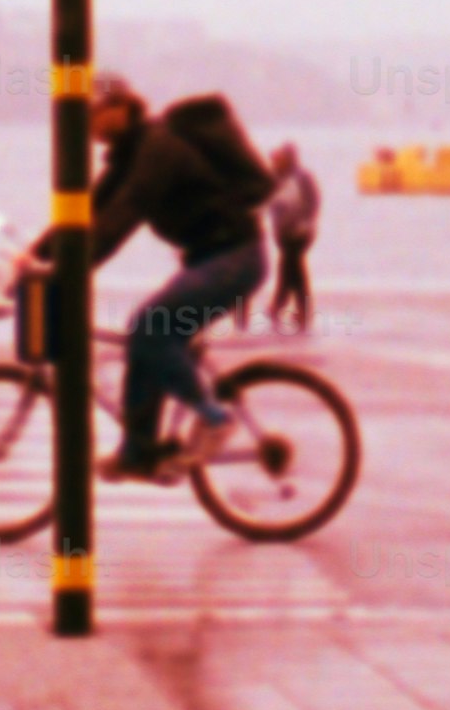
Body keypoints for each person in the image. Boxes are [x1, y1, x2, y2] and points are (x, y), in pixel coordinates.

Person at [83, 74, 272, 480]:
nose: (87, 124)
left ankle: (214, 417)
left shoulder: (158, 147)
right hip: (208, 259)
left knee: (150, 326)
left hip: (235, 259)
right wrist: (32, 258)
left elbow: (126, 212)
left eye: (92, 113)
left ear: (120, 108)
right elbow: (86, 213)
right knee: (145, 340)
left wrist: (75, 268)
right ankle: (137, 454)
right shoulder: (128, 154)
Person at [263, 141, 322, 331]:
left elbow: (313, 202)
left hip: (299, 231)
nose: (274, 162)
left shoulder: (301, 178)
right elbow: (271, 205)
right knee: (291, 270)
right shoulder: (275, 178)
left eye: (279, 159)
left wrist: (306, 223)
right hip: (284, 232)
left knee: (292, 268)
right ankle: (289, 307)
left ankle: (285, 307)